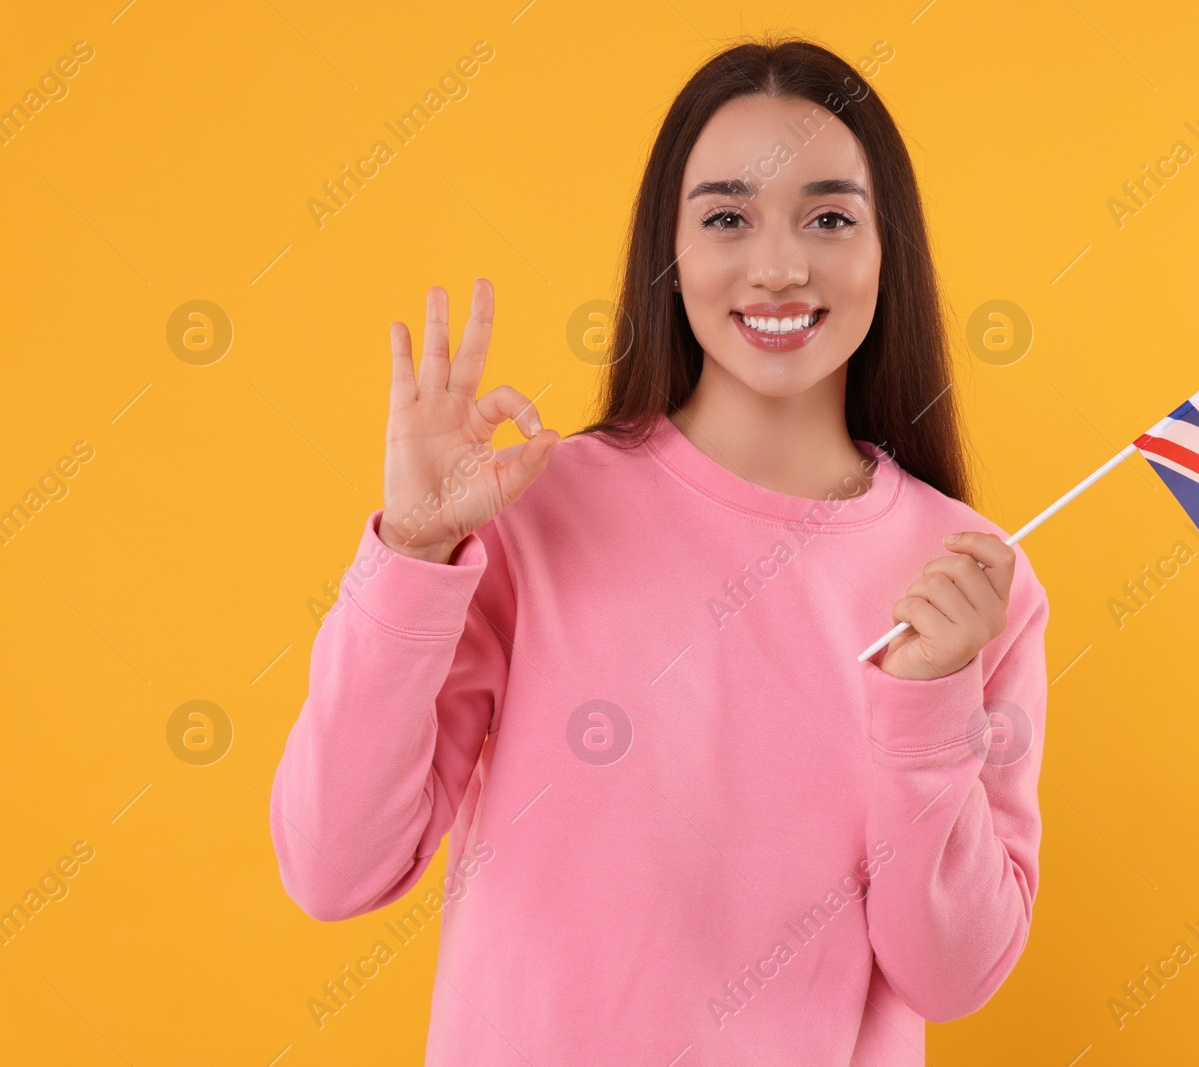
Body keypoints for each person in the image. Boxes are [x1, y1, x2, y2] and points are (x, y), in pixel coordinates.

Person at [269, 35, 1050, 1066]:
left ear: (885, 249)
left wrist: (925, 708)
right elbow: (334, 868)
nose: (778, 264)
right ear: (668, 253)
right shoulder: (532, 511)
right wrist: (412, 553)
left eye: (828, 217)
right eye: (727, 216)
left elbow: (951, 974)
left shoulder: (971, 574)